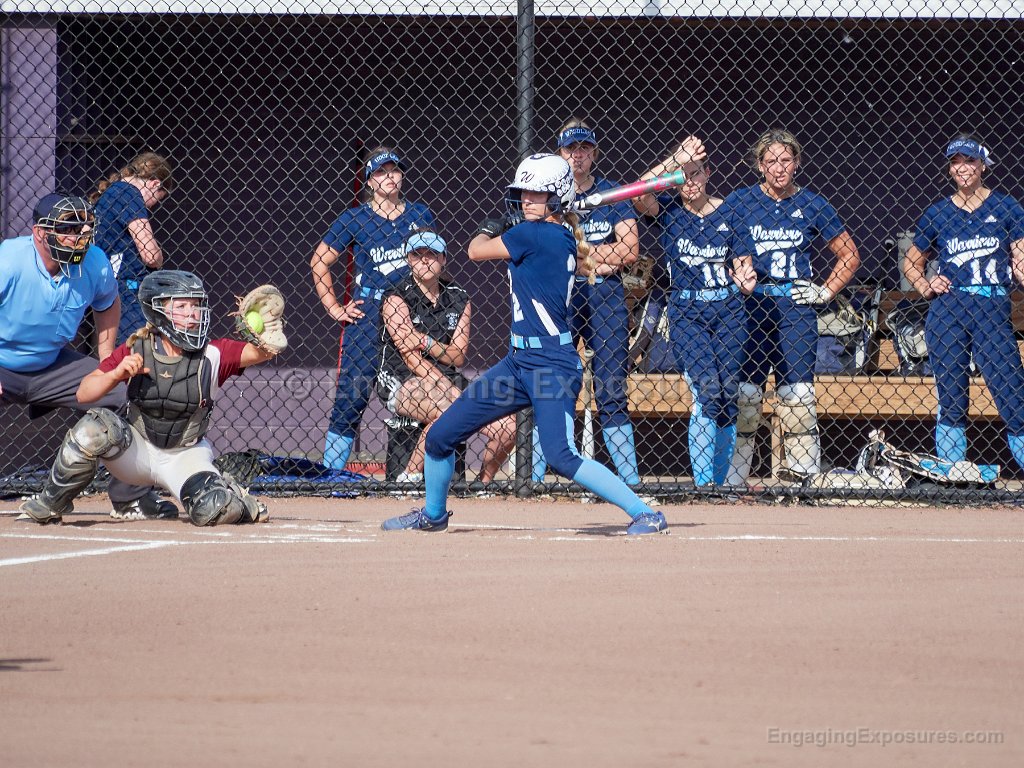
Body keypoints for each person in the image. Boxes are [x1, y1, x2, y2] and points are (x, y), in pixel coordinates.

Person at [380, 152, 698, 534]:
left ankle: (645, 513)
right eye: (524, 193)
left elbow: (475, 249)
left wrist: (493, 225)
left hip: (551, 365)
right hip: (517, 365)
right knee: (442, 435)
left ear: (558, 196)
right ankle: (433, 515)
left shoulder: (532, 235)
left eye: (537, 194)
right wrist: (528, 219)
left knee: (561, 455)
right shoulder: (561, 236)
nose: (526, 200)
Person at [20, 270, 281, 526]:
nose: (192, 313)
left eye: (196, 305)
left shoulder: (214, 354)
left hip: (185, 456)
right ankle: (49, 504)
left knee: (214, 509)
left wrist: (266, 335)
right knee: (94, 428)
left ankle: (236, 499)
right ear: (158, 312)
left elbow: (260, 353)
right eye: (181, 306)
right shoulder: (137, 347)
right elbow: (84, 393)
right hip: (137, 453)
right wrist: (115, 375)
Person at [2, 193, 174, 520]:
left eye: (84, 227)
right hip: (3, 363)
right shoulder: (9, 260)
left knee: (124, 392)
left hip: (52, 363)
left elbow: (108, 303)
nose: (79, 235)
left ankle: (131, 498)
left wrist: (107, 360)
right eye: (68, 228)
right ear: (40, 233)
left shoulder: (94, 261)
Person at [724, 128, 861, 484]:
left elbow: (849, 255)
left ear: (797, 162)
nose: (778, 168)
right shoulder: (740, 201)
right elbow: (715, 243)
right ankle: (733, 482)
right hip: (752, 306)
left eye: (785, 160)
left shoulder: (813, 204)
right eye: (770, 161)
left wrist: (825, 292)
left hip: (795, 307)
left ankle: (804, 482)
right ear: (759, 165)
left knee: (797, 398)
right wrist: (733, 274)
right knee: (746, 397)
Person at [634, 138, 757, 487]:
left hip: (728, 309)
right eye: (682, 176)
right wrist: (674, 160)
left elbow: (743, 263)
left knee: (728, 395)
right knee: (708, 392)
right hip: (688, 310)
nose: (689, 182)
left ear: (708, 173)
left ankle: (720, 485)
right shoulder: (670, 210)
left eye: (695, 173)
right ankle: (704, 486)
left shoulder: (730, 212)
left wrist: (746, 280)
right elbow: (639, 192)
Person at [903, 134, 1024, 471]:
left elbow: (1020, 258)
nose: (962, 168)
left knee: (1012, 393)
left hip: (991, 307)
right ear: (949, 168)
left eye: (969, 160)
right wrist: (926, 285)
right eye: (955, 162)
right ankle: (952, 473)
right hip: (949, 310)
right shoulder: (937, 213)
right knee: (952, 398)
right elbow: (911, 263)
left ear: (983, 165)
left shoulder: (1006, 207)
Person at [531, 119, 642, 485]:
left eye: (584, 148)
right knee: (553, 386)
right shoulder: (549, 197)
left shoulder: (611, 193)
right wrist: (600, 255)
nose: (577, 155)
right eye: (570, 149)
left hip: (605, 295)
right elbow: (543, 251)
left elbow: (630, 250)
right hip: (561, 296)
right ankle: (534, 479)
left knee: (611, 389)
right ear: (560, 154)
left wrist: (580, 255)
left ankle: (631, 483)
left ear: (594, 153)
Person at [311, 147, 436, 471]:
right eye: (381, 171)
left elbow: (432, 262)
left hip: (410, 311)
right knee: (352, 395)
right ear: (369, 180)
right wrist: (334, 307)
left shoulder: (419, 214)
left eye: (394, 169)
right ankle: (331, 473)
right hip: (369, 313)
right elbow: (319, 262)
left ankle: (415, 473)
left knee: (423, 387)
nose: (389, 176)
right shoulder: (355, 218)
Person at [377, 229, 514, 484]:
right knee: (447, 411)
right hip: (401, 377)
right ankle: (409, 476)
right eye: (417, 254)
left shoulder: (458, 297)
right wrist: (446, 386)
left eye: (431, 254)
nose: (424, 260)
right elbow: (410, 357)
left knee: (508, 427)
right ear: (408, 259)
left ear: (443, 259)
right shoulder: (395, 297)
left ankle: (481, 485)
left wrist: (425, 341)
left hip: (450, 378)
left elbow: (458, 356)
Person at [90, 152, 175, 343]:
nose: (152, 206)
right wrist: (160, 256)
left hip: (110, 284)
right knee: (137, 347)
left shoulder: (111, 193)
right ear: (155, 184)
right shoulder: (130, 194)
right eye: (158, 198)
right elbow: (150, 255)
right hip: (127, 288)